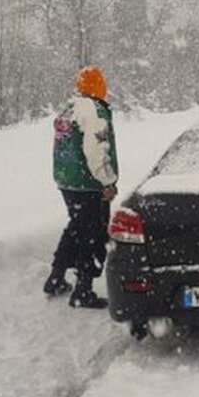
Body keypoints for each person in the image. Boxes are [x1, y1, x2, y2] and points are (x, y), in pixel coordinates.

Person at [45, 66, 118, 309]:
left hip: (67, 181)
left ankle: (56, 278)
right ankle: (83, 290)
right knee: (93, 234)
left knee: (76, 227)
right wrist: (107, 181)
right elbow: (96, 150)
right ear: (99, 86)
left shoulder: (70, 108)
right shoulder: (94, 111)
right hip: (89, 183)